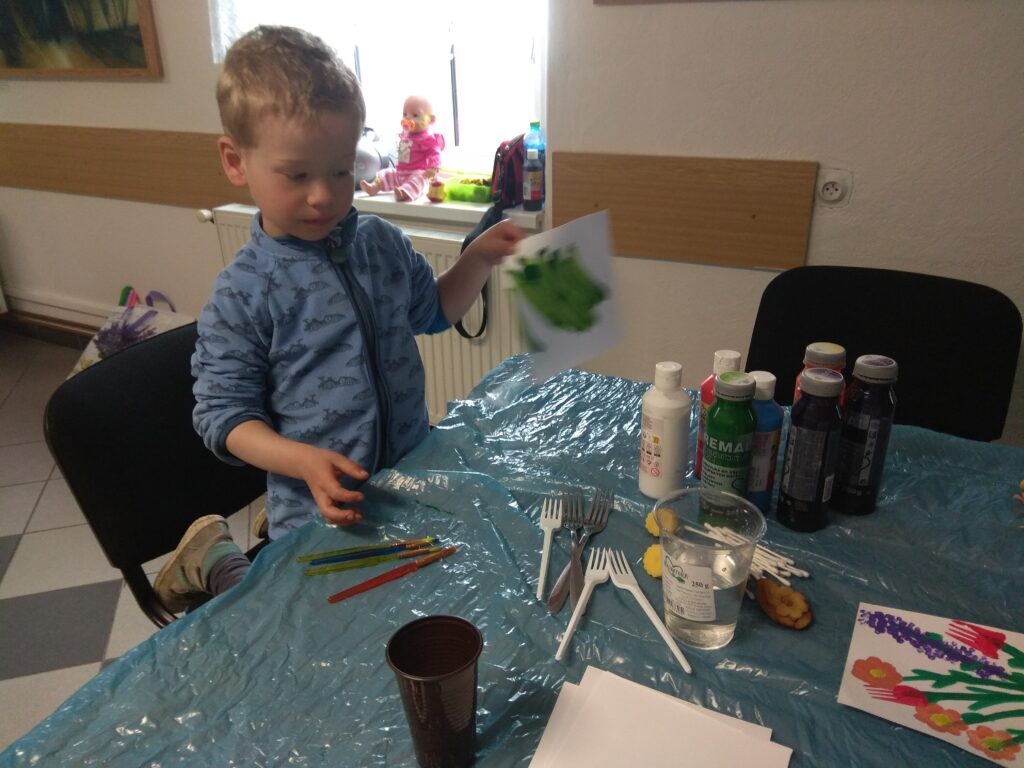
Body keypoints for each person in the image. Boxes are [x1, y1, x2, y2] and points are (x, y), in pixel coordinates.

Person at [154, 26, 523, 613]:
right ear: (235, 161)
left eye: (341, 171)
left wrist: (477, 258)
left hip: (404, 486)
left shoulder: (382, 243)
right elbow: (224, 418)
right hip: (314, 512)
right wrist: (302, 462)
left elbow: (434, 311)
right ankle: (214, 557)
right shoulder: (244, 291)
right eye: (298, 175)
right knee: (297, 616)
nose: (324, 196)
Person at [360, 94, 444, 201]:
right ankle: (374, 187)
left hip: (415, 174)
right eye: (405, 114)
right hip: (399, 173)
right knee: (386, 174)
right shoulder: (405, 135)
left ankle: (404, 192)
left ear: (430, 120)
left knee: (419, 179)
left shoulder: (427, 139)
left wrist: (433, 168)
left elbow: (435, 154)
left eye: (415, 115)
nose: (407, 118)